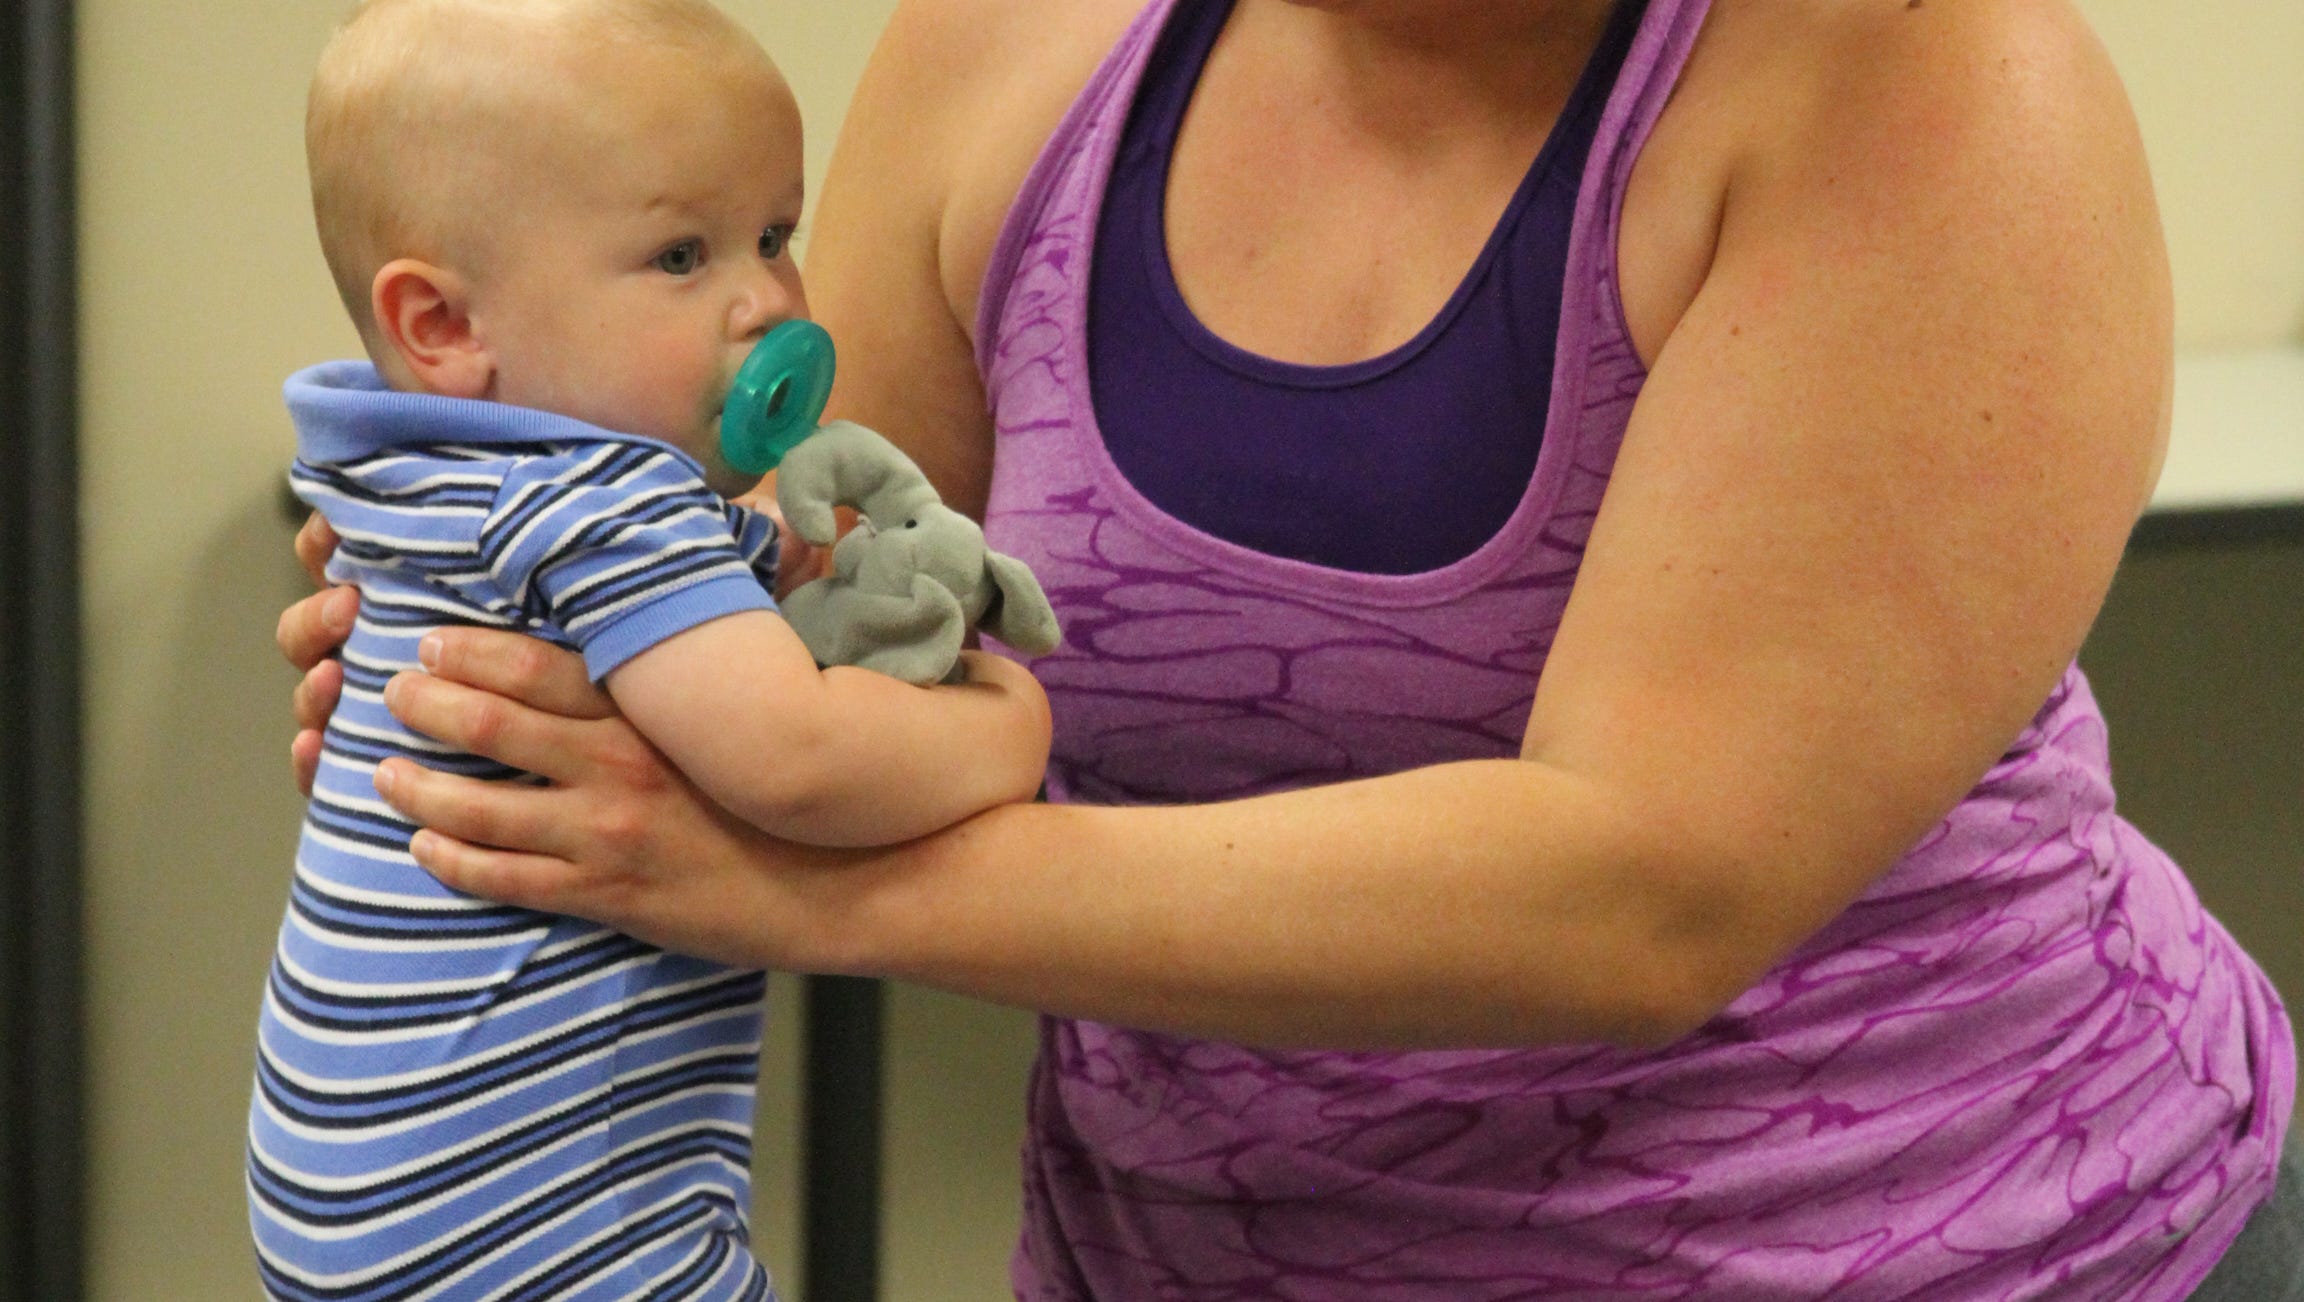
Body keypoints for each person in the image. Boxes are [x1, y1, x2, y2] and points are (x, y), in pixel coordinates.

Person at [280, 0, 2302, 1295]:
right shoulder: (1020, 49)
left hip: (1949, 1245)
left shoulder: (1923, 81)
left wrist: (791, 873)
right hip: (1188, 1249)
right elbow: (825, 573)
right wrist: (523, 633)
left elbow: (1635, 894)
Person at [250, 1, 1051, 1297]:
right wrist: (1008, 722)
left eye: (776, 236)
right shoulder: (606, 503)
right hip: (568, 1241)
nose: (769, 302)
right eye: (682, 255)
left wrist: (763, 558)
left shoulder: (404, 478)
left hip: (361, 1215)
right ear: (445, 324)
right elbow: (795, 757)